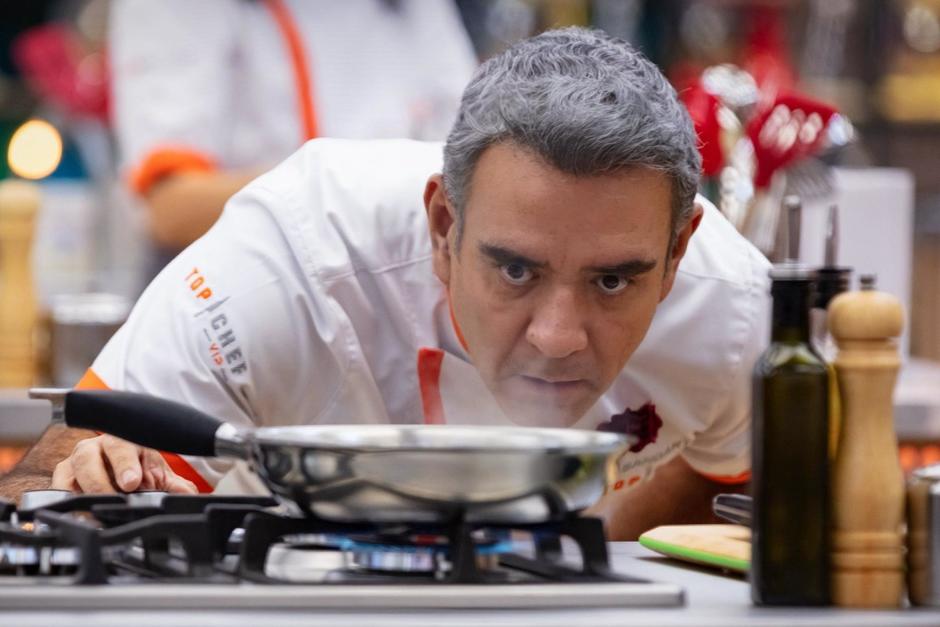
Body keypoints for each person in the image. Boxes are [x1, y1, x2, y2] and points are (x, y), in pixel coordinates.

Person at [0, 27, 770, 540]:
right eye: (514, 269)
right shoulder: (292, 260)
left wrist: (591, 546)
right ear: (442, 227)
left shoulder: (733, 309)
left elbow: (732, 479)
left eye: (612, 281)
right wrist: (84, 486)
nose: (558, 335)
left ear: (676, 255)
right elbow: (32, 490)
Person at [109, 0, 477, 249]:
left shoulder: (417, 8)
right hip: (249, 296)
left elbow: (470, 148)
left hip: (407, 290)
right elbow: (172, 207)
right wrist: (360, 197)